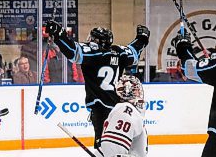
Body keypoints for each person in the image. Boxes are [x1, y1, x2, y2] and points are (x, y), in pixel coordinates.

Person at [46, 20, 150, 148]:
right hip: (118, 106)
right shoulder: (119, 52)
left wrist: (58, 34)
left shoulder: (93, 52)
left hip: (100, 108)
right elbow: (134, 51)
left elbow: (73, 52)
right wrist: (142, 38)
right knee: (121, 140)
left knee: (103, 146)